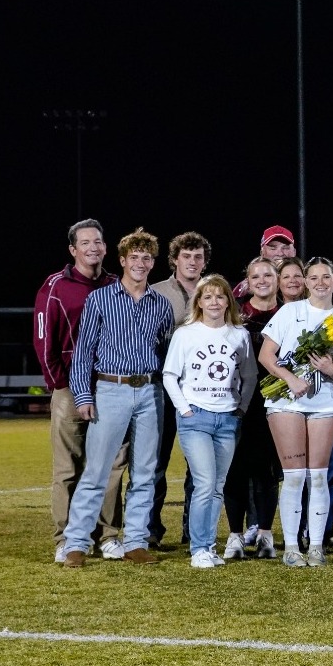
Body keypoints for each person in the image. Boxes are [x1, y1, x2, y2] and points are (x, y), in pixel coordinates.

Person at [55, 228, 178, 567]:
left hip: (150, 391)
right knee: (96, 471)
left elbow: (164, 349)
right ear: (122, 260)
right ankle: (76, 543)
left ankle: (136, 542)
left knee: (145, 472)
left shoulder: (161, 305)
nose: (140, 263)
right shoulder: (100, 299)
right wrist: (83, 395)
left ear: (153, 263)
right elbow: (83, 354)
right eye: (134, 257)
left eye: (147, 258)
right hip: (110, 389)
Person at [36, 218, 121, 558]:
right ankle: (67, 539)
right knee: (69, 466)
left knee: (112, 463)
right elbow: (44, 340)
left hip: (111, 387)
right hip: (71, 387)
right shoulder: (56, 286)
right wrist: (61, 383)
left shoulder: (117, 284)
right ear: (73, 250)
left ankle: (109, 535)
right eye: (85, 242)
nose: (93, 248)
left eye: (98, 241)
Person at [162, 274, 256, 569]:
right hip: (196, 418)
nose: (214, 301)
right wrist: (185, 409)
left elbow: (249, 375)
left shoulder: (238, 334)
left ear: (228, 300)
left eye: (220, 296)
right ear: (198, 302)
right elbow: (170, 375)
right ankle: (199, 548)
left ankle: (208, 546)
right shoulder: (186, 333)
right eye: (208, 296)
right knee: (204, 483)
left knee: (217, 486)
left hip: (227, 419)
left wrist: (240, 406)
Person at [258, 256, 333, 566]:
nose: (320, 282)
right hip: (286, 402)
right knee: (294, 477)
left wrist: (331, 370)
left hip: (325, 404)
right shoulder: (290, 311)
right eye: (314, 278)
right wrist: (291, 379)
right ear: (306, 282)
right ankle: (293, 548)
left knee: (319, 477)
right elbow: (266, 355)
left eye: (327, 277)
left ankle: (317, 547)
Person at [147, 230, 211, 546]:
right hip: (161, 389)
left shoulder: (214, 291)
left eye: (198, 256)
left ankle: (192, 530)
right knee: (154, 463)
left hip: (200, 391)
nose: (192, 261)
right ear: (174, 259)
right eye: (186, 256)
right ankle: (150, 530)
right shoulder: (155, 292)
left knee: (197, 467)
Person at [224, 257, 285, 559]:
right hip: (236, 402)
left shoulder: (289, 313)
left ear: (277, 279)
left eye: (268, 275)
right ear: (246, 281)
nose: (262, 281)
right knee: (235, 468)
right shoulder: (234, 315)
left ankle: (265, 534)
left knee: (266, 471)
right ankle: (235, 535)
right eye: (255, 276)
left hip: (275, 401)